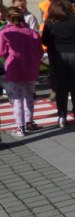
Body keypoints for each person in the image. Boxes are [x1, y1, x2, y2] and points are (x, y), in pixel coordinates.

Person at [41, 0, 75, 127]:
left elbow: (44, 40)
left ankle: (62, 115)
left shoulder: (50, 22)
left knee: (60, 87)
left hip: (57, 55)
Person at [0, 7, 44, 137]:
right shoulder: (32, 32)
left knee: (17, 98)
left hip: (15, 68)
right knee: (29, 96)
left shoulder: (5, 32)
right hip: (31, 68)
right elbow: (40, 51)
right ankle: (29, 122)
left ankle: (20, 127)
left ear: (8, 18)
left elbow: (1, 52)